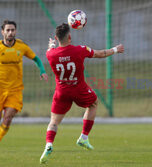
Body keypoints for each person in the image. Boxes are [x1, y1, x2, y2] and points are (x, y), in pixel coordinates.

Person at [39, 23, 124, 164]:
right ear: (70, 36)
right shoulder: (80, 50)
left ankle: (49, 144)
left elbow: (51, 50)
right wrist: (115, 49)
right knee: (93, 103)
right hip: (79, 89)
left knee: (54, 122)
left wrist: (51, 45)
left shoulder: (50, 54)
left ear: (56, 37)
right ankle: (84, 137)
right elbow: (100, 54)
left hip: (61, 92)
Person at [0, 20, 48, 142]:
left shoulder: (21, 46)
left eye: (12, 30)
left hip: (15, 90)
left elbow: (36, 58)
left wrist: (42, 71)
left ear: (15, 31)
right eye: (8, 30)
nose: (10, 33)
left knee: (8, 118)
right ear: (2, 32)